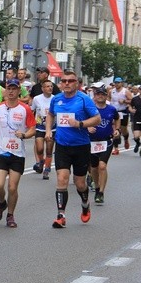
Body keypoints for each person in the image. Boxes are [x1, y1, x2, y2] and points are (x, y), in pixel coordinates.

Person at [45, 70, 100, 229]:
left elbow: (97, 119)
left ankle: (85, 203)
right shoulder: (56, 99)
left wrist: (80, 124)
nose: (67, 83)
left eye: (70, 81)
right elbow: (50, 115)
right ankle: (61, 216)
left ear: (77, 83)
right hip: (62, 145)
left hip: (81, 146)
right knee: (62, 179)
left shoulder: (84, 100)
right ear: (61, 83)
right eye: (64, 81)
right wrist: (49, 129)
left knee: (79, 183)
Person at [0, 79, 37, 228]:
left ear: (19, 91)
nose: (11, 91)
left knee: (12, 188)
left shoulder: (25, 108)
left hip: (17, 153)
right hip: (1, 150)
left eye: (14, 89)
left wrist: (25, 135)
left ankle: (10, 215)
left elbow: (33, 128)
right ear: (5, 90)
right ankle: (2, 204)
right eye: (9, 88)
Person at [87, 84, 120, 205]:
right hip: (92, 142)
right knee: (94, 168)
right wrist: (88, 127)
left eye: (103, 94)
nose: (100, 96)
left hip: (107, 141)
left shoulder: (111, 109)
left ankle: (101, 192)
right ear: (95, 96)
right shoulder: (90, 109)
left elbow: (117, 119)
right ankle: (96, 187)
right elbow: (83, 121)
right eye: (98, 94)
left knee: (102, 166)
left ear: (106, 96)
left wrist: (117, 129)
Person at [31, 79, 56, 179]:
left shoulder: (55, 99)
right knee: (40, 149)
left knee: (49, 150)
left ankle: (47, 169)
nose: (50, 88)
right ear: (42, 88)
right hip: (40, 126)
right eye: (47, 86)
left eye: (51, 86)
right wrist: (31, 125)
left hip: (52, 128)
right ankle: (41, 162)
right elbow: (32, 111)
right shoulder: (37, 99)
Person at [110, 77, 133, 154]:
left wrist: (124, 101)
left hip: (123, 112)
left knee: (123, 130)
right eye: (115, 82)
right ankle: (116, 148)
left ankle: (126, 139)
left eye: (118, 82)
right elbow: (108, 99)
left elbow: (132, 101)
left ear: (121, 83)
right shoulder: (111, 91)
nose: (116, 84)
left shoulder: (125, 91)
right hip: (114, 112)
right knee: (115, 129)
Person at [128, 84, 141, 156]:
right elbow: (129, 106)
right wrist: (131, 110)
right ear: (139, 90)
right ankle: (138, 143)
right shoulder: (135, 99)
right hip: (136, 119)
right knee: (136, 137)